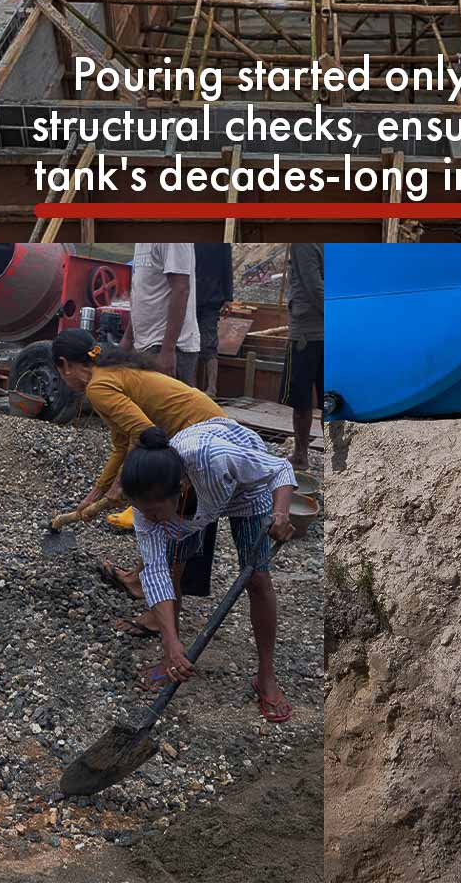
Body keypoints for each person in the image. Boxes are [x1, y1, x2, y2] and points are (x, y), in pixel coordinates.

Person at [123, 423, 297, 721]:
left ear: (179, 489)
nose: (148, 518)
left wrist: (280, 515)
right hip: (191, 508)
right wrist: (171, 642)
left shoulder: (213, 457)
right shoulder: (147, 509)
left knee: (257, 579)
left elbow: (280, 469)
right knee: (172, 570)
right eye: (143, 511)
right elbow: (154, 574)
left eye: (153, 511)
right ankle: (171, 660)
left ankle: (266, 674)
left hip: (244, 489)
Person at [55, 331, 224, 633]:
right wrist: (96, 492)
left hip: (201, 437)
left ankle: (161, 616)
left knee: (173, 526)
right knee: (167, 523)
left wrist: (121, 484)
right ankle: (138, 580)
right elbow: (122, 443)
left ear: (65, 365)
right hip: (201, 426)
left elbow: (144, 432)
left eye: (60, 372)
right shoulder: (109, 374)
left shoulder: (99, 387)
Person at [119, 243, 201, 385]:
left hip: (166, 347)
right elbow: (143, 293)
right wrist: (128, 338)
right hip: (146, 345)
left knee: (169, 406)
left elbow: (181, 288)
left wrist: (167, 351)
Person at [282, 244, 323, 470]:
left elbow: (313, 287)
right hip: (320, 331)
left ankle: (300, 455)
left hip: (307, 333)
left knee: (301, 398)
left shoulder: (304, 243)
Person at [194, 243, 233, 398]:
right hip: (193, 297)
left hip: (209, 299)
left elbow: (226, 267)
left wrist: (228, 298)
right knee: (190, 345)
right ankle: (194, 387)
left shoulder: (222, 242)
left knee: (207, 345)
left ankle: (211, 389)